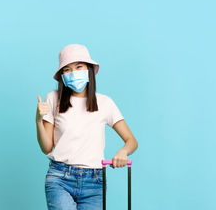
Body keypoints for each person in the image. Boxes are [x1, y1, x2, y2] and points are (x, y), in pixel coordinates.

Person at [35, 44, 138, 210]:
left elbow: (132, 141)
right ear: (62, 75)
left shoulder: (105, 103)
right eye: (67, 69)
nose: (74, 72)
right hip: (60, 177)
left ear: (89, 70)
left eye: (79, 67)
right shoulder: (53, 98)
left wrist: (123, 152)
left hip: (94, 182)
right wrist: (38, 120)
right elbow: (46, 147)